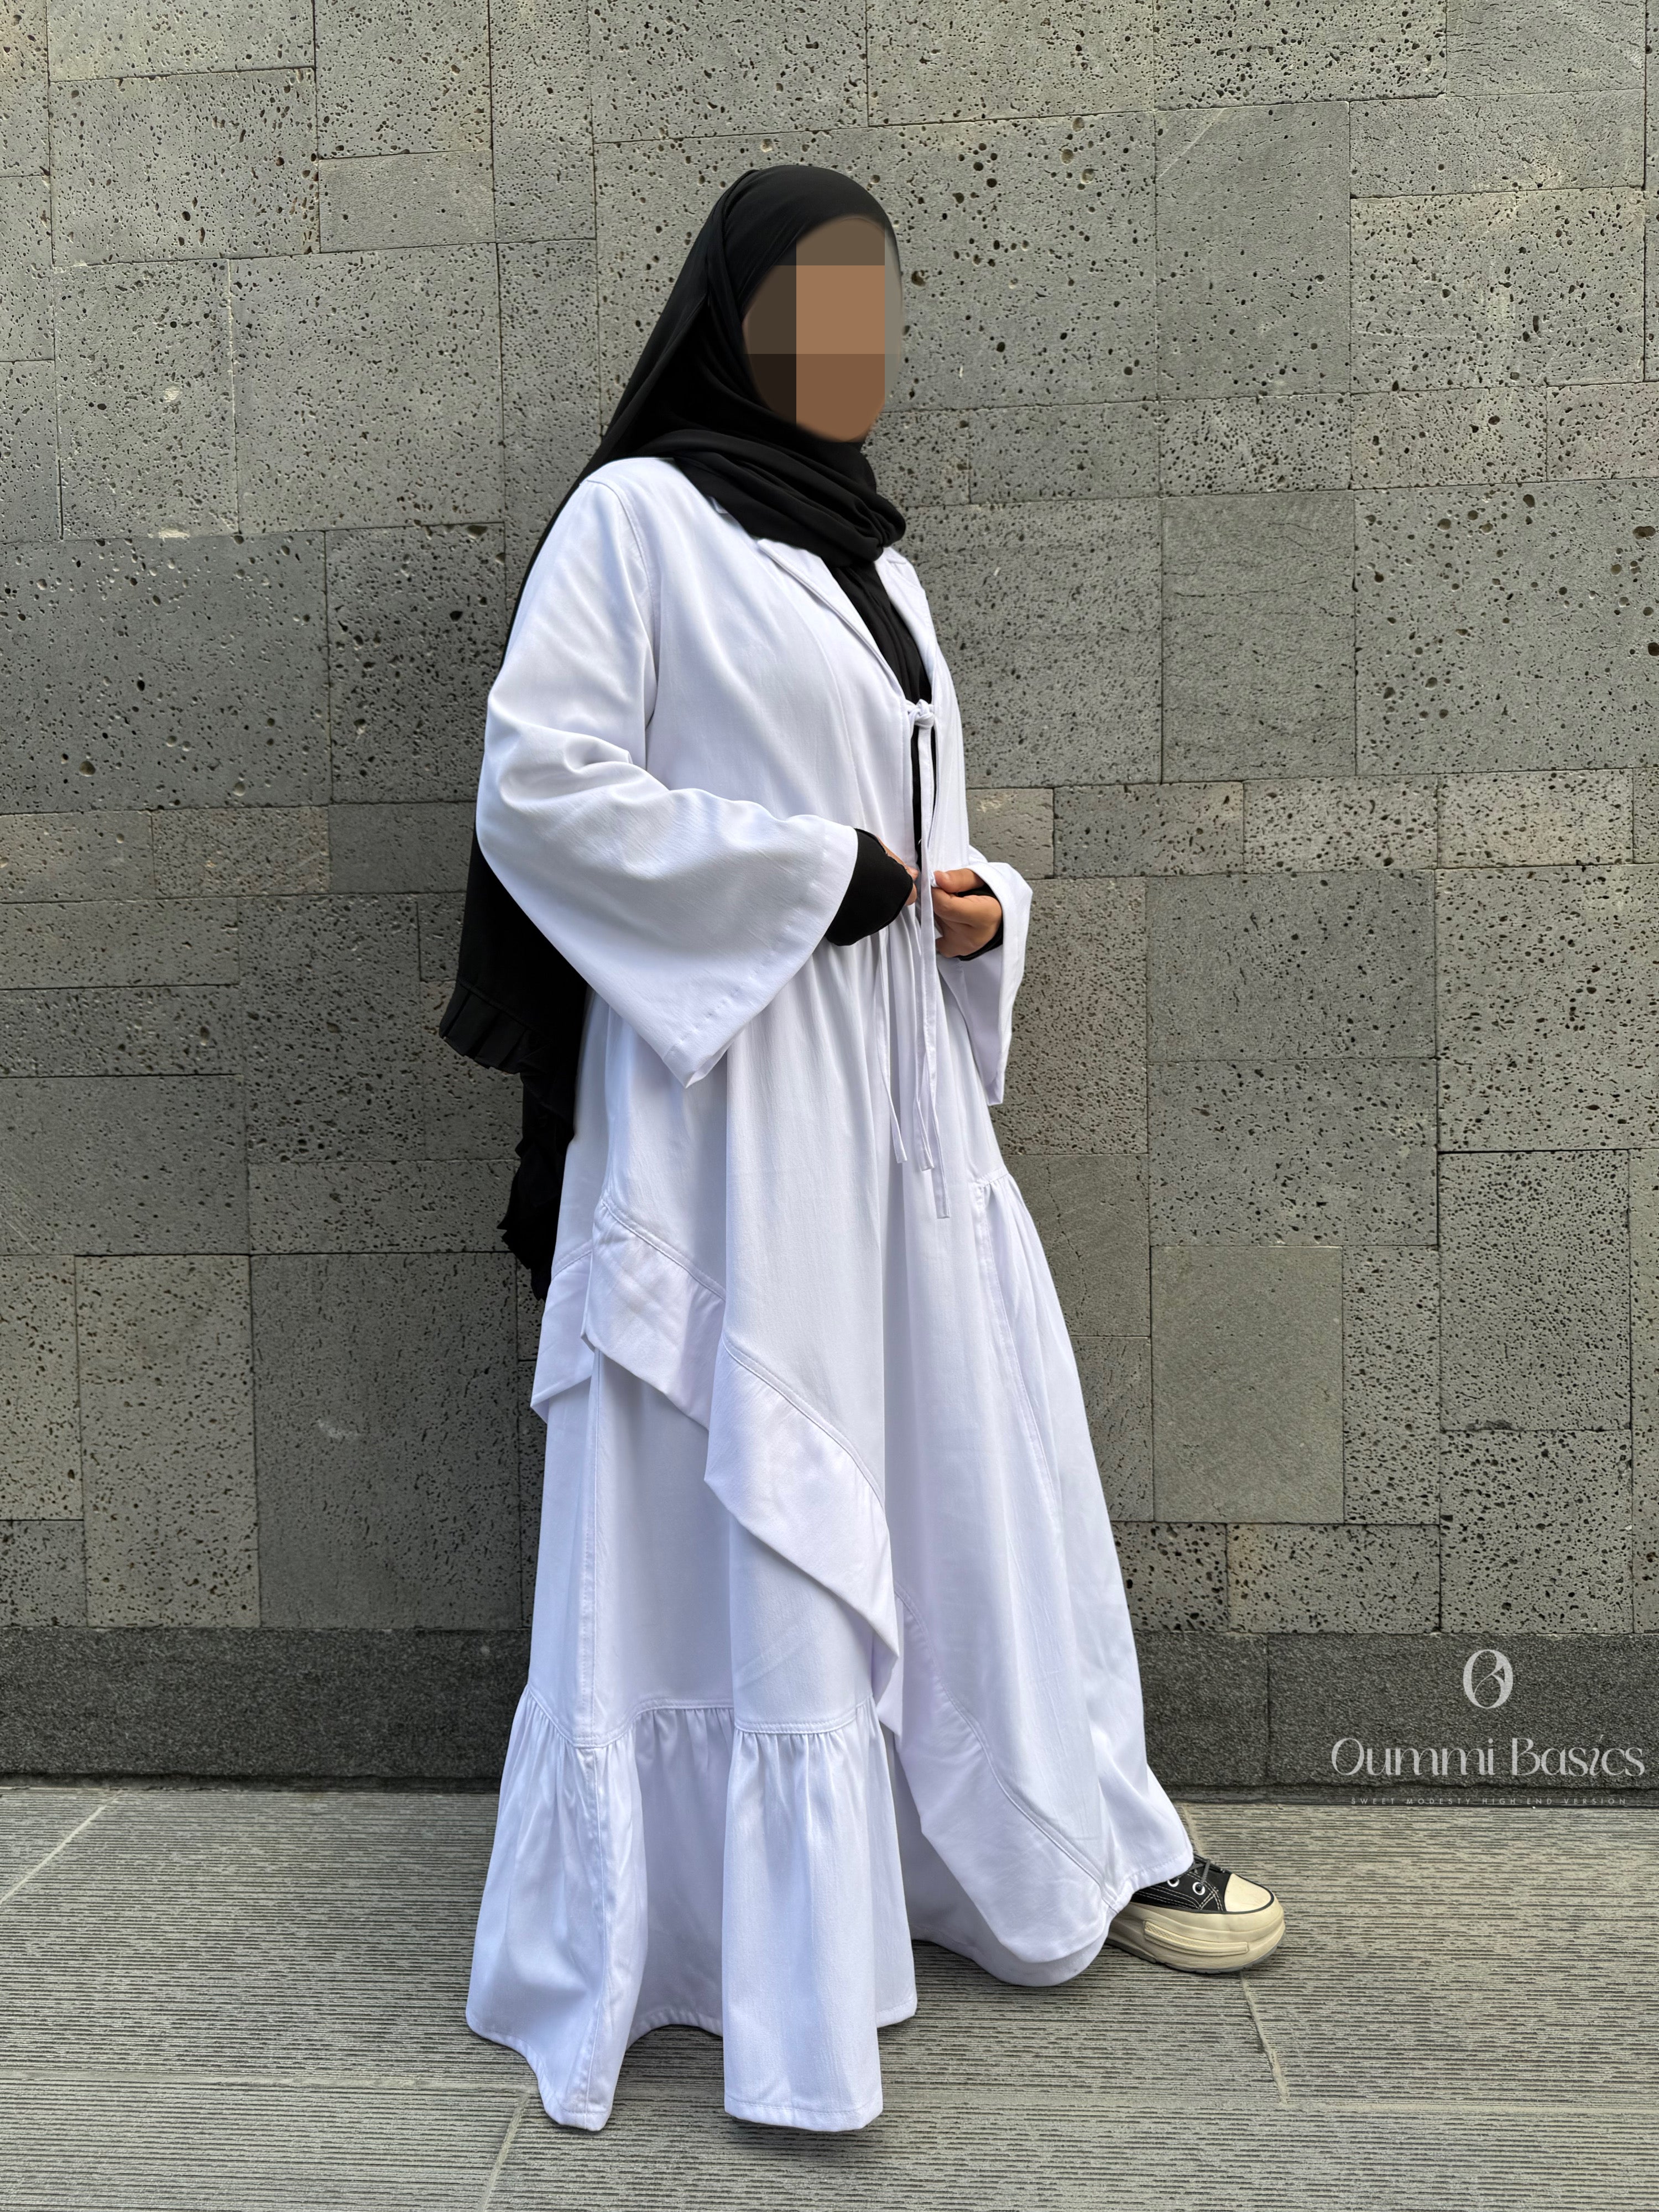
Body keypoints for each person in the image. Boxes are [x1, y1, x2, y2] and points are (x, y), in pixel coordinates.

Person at [448, 163, 1283, 2136]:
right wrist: (794, 875)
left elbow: (914, 817)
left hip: (899, 1117)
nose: (854, 341)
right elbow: (539, 791)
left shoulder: (879, 568)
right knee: (771, 1487)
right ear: (734, 320)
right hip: (733, 1124)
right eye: (815, 303)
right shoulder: (637, 522)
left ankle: (1027, 1839)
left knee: (964, 1468)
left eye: (875, 304)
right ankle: (754, 1947)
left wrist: (976, 902)